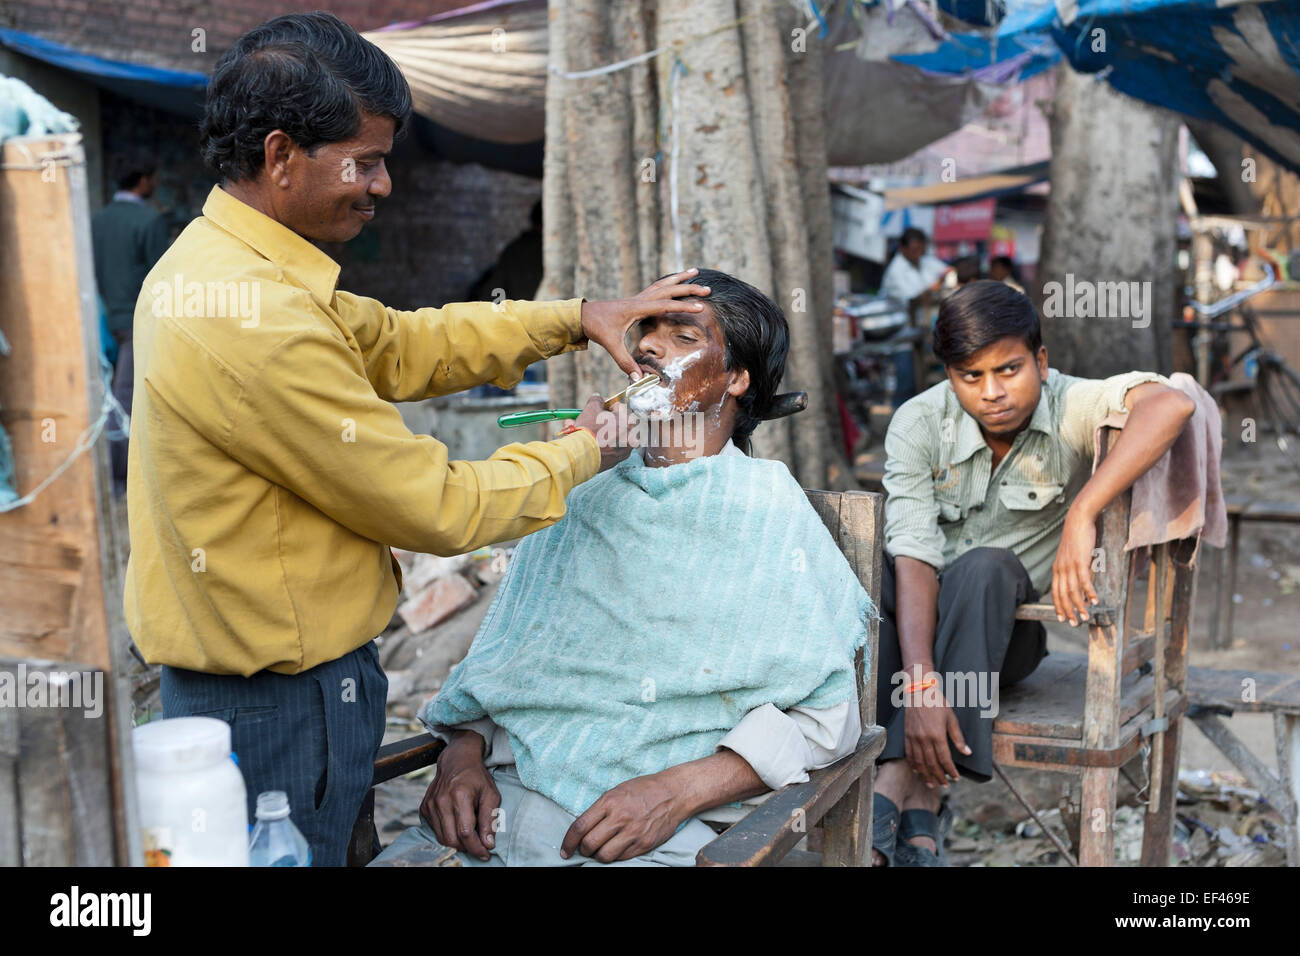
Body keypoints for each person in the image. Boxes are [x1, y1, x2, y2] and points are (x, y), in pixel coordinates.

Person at [126, 12, 710, 867]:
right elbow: (436, 506)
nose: (383, 185)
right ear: (282, 155)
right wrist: (597, 444)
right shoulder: (251, 316)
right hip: (280, 704)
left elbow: (403, 344)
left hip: (283, 688)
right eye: (362, 162)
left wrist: (574, 319)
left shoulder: (238, 269)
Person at [370, 271, 873, 867]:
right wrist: (460, 758)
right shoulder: (581, 492)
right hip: (490, 823)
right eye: (646, 331)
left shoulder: (763, 508)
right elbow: (501, 672)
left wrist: (677, 789)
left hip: (654, 841)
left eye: (683, 335)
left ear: (738, 378)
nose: (647, 348)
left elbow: (827, 716)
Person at [873, 280, 1196, 866]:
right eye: (970, 377)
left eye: (1009, 369)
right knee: (883, 571)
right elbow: (914, 554)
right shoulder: (918, 423)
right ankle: (920, 807)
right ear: (949, 376)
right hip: (914, 646)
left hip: (1006, 646)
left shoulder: (1071, 402)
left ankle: (895, 783)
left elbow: (1171, 404)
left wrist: (1084, 509)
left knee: (986, 567)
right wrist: (920, 686)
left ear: (1040, 361)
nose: (992, 392)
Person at [91, 149, 170, 496]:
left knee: (113, 394)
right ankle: (121, 476)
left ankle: (117, 473)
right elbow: (161, 277)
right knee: (127, 398)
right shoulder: (150, 222)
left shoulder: (99, 220)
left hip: (105, 318)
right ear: (143, 181)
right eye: (152, 177)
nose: (155, 183)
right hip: (138, 321)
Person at [880, 227, 951, 312]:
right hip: (901, 320)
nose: (919, 254)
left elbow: (947, 270)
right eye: (915, 250)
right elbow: (912, 301)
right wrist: (935, 286)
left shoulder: (925, 260)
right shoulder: (895, 271)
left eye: (922, 250)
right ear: (902, 248)